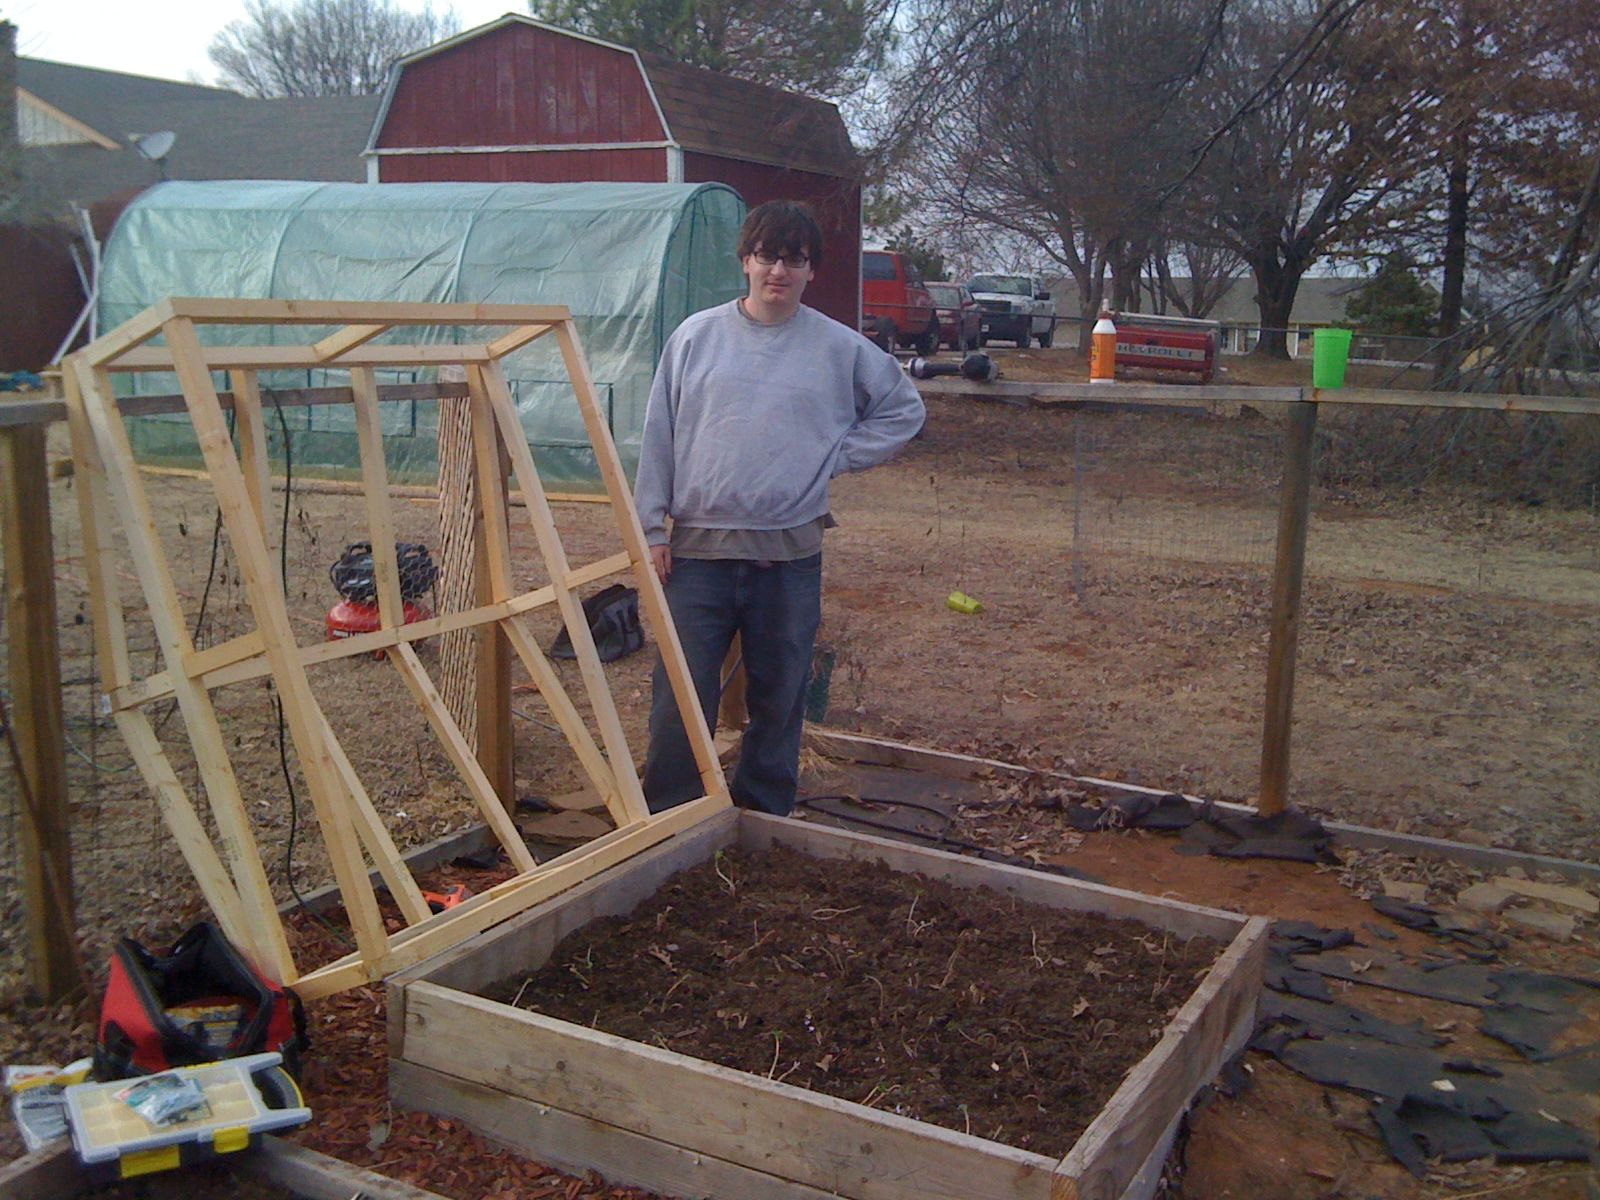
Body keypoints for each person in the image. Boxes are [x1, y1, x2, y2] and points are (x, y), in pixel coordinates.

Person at [633, 200, 925, 816]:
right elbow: (658, 435)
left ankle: (766, 818)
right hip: (697, 557)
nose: (779, 272)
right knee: (681, 695)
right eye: (767, 257)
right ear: (745, 260)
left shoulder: (837, 347)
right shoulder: (696, 338)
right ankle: (674, 819)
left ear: (811, 270)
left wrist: (836, 456)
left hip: (789, 558)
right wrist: (650, 529)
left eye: (795, 260)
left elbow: (903, 409)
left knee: (781, 695)